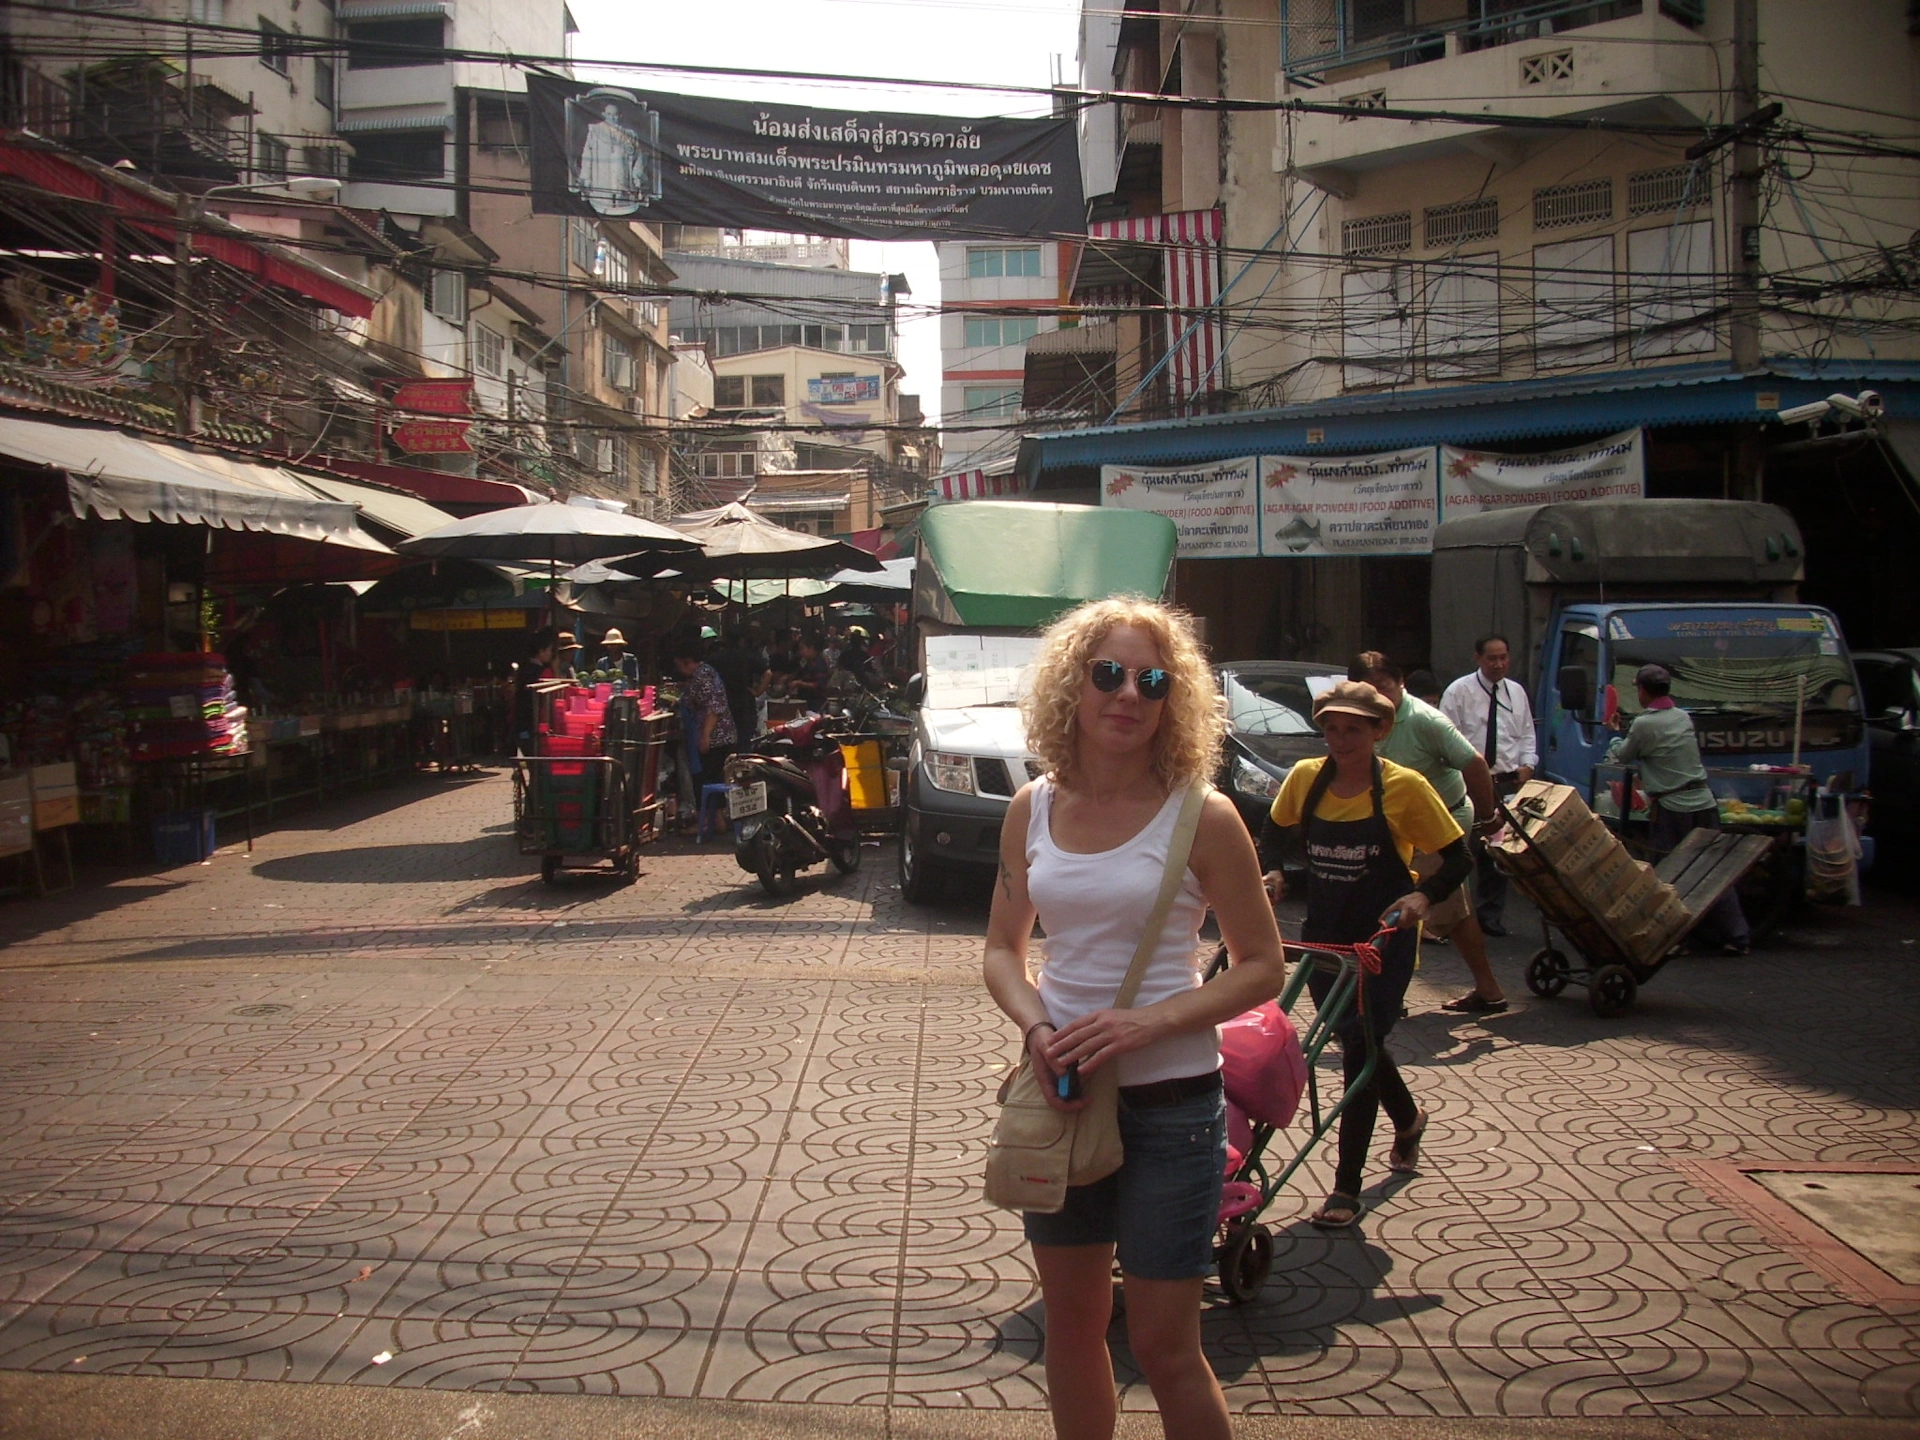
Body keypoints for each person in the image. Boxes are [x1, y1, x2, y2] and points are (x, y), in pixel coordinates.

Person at [984, 597, 1288, 1440]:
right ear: (1072, 687)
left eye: (1152, 682)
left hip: (1173, 1109)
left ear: (1172, 700)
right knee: (1072, 1327)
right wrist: (1038, 1030)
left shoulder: (1204, 814)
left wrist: (1147, 1024)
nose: (1128, 695)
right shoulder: (1032, 807)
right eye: (1109, 674)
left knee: (1164, 1344)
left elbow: (1262, 964)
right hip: (1065, 1099)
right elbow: (1003, 949)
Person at [1259, 680, 1470, 1229]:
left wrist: (1424, 896)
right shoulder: (1306, 778)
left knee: (1360, 1047)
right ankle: (1409, 1118)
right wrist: (1274, 871)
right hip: (1324, 941)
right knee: (1358, 1042)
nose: (1340, 740)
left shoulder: (1406, 787)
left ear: (1380, 730)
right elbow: (1273, 831)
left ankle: (1345, 1188)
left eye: (1353, 729)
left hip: (1382, 943)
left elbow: (1460, 858)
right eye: (1331, 729)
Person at [1351, 652, 1507, 1014]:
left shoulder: (1424, 720)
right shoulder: (1361, 719)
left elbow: (1475, 764)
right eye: (1366, 690)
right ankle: (1487, 990)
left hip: (1441, 824)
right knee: (1443, 907)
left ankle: (1393, 995)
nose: (1376, 697)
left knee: (1419, 904)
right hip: (1398, 828)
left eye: (1383, 687)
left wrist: (1488, 818)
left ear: (1400, 683)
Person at [1607, 663, 1750, 955]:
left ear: (1643, 691)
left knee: (1669, 874)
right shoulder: (1683, 717)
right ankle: (1737, 937)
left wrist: (1614, 733)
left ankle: (1675, 938)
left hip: (1673, 807)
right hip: (1704, 802)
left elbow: (1622, 755)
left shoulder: (1644, 724)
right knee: (1713, 870)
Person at [1441, 634, 1537, 936]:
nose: (1498, 664)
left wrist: (1527, 764)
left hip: (1505, 784)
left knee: (1497, 851)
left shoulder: (1516, 692)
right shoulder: (1459, 692)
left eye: (1503, 658)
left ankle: (1490, 914)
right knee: (1461, 851)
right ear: (1478, 658)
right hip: (1468, 784)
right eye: (1492, 658)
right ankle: (1452, 915)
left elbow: (1526, 733)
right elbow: (1445, 738)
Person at [670, 639, 738, 790]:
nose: (679, 670)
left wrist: (705, 736)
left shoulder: (704, 675)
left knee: (713, 780)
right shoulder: (698, 675)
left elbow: (713, 708)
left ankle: (714, 807)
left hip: (717, 738)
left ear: (688, 662)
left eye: (680, 666)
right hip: (712, 736)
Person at [511, 630, 556, 751]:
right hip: (533, 723)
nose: (551, 654)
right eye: (549, 650)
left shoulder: (523, 669)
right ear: (541, 651)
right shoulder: (542, 672)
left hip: (521, 721)